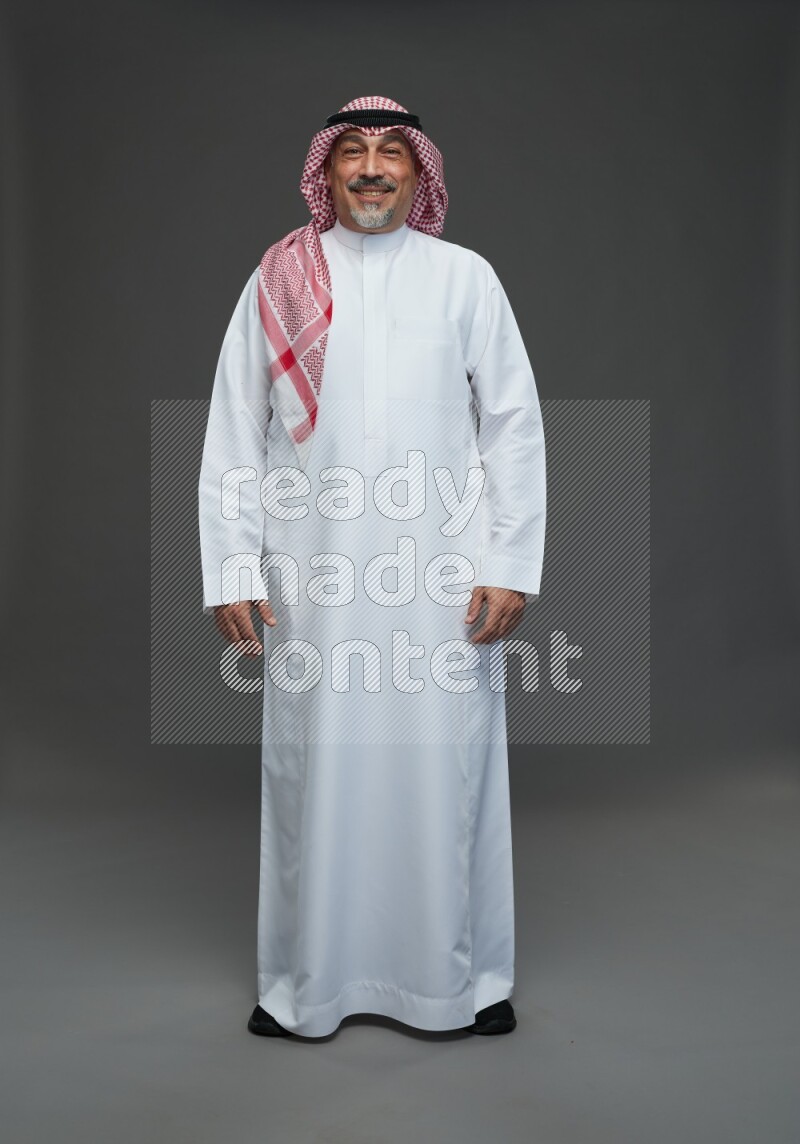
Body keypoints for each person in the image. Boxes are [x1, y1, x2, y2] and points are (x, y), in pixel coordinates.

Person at [198, 95, 547, 1039]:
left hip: (442, 576)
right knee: (316, 768)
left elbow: (513, 428)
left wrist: (510, 560)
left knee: (452, 769)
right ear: (327, 169)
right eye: (352, 151)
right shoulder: (281, 282)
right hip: (313, 573)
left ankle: (462, 984)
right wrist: (232, 566)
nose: (371, 169)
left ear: (419, 172)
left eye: (391, 153)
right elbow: (237, 427)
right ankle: (304, 986)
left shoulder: (465, 279)